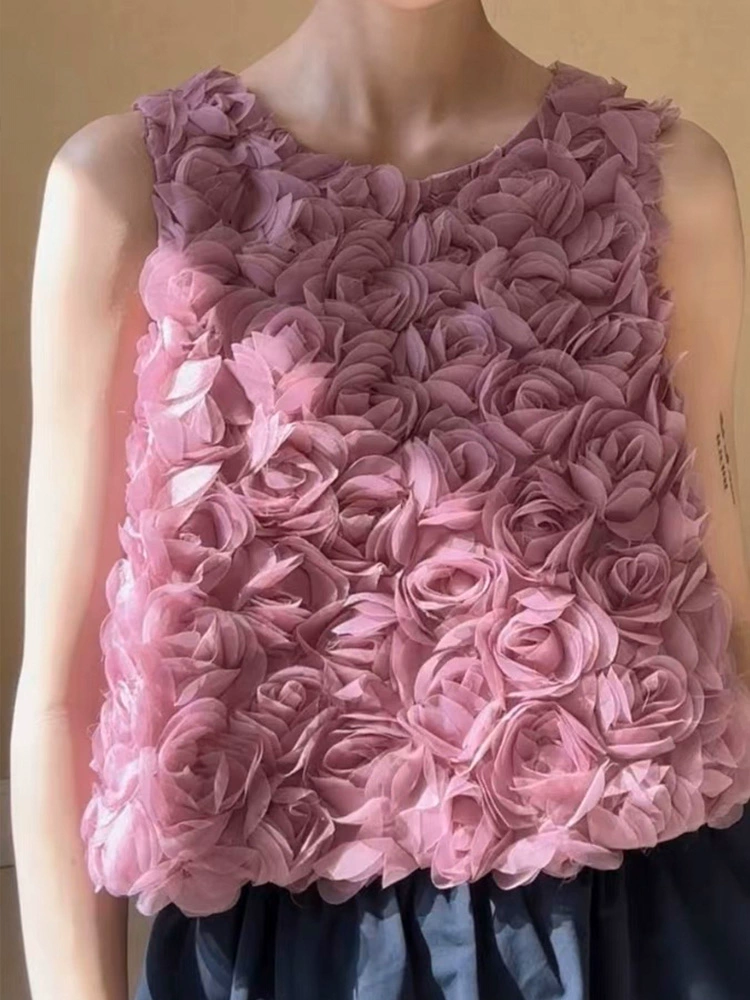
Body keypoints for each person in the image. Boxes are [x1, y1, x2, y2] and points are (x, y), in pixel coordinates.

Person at [10, 1, 750, 998]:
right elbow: (62, 694)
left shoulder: (670, 184)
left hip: (635, 931)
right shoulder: (124, 194)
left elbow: (725, 611)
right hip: (282, 952)